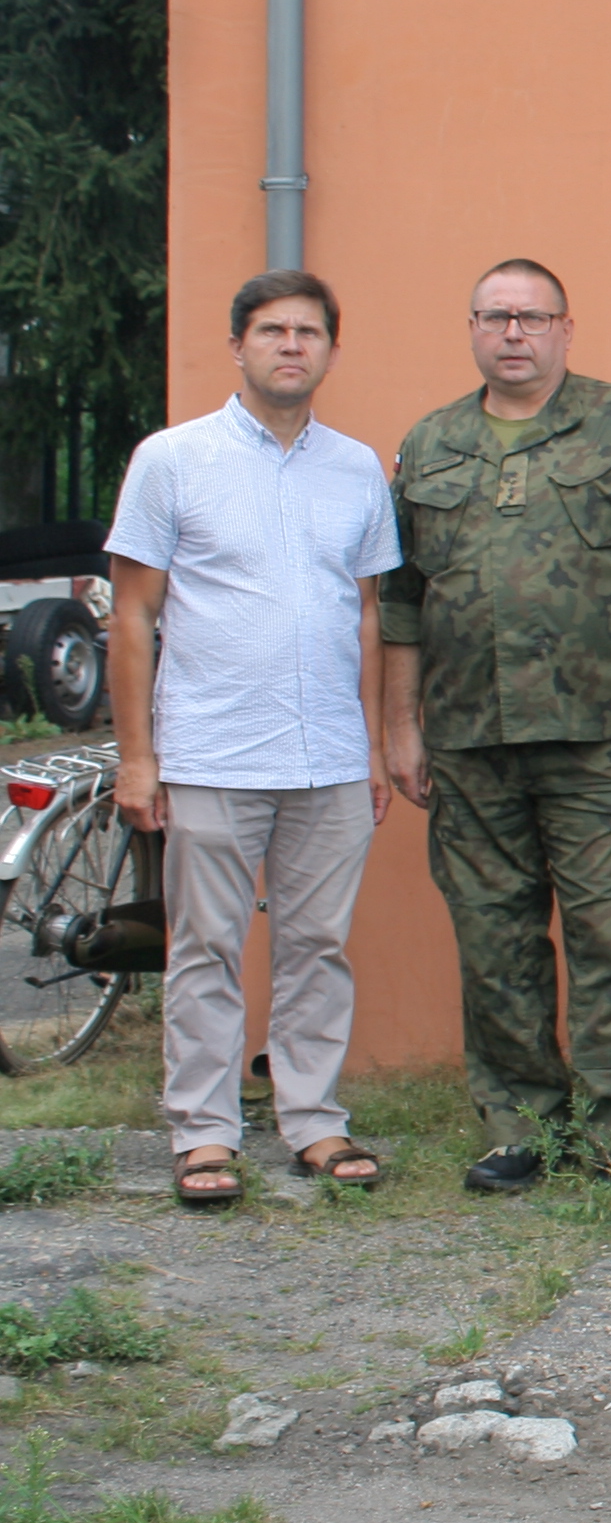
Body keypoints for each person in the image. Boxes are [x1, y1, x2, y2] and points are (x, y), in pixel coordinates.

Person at [384, 260, 611, 1197]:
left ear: (567, 327)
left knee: (607, 928)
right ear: (474, 329)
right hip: (468, 737)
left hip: (600, 738)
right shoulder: (431, 443)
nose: (514, 333)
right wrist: (400, 730)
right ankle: (518, 1122)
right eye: (495, 317)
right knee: (493, 936)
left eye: (532, 316)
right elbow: (400, 605)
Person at [106, 271, 400, 1203]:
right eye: (271, 330)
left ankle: (313, 1119)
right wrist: (138, 757)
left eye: (308, 332)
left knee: (318, 943)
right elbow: (131, 615)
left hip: (326, 757)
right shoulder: (172, 460)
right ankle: (204, 1130)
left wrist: (375, 743)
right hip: (212, 751)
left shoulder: (355, 467)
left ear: (330, 352)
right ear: (237, 345)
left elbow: (367, 616)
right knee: (206, 946)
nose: (290, 346)